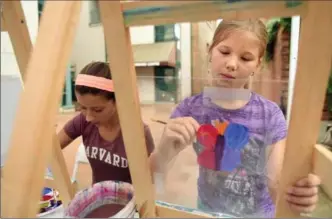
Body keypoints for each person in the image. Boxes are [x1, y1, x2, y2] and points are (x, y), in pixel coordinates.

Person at [156, 20, 321, 217]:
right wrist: (163, 150)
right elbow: (155, 177)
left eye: (245, 58)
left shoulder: (270, 115)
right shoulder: (190, 109)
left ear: (257, 65)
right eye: (225, 52)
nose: (232, 64)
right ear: (210, 52)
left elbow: (276, 182)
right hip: (207, 214)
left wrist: (297, 195)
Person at [57, 61, 163, 217]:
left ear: (117, 101)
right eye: (82, 107)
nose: (88, 117)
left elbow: (153, 179)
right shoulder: (82, 122)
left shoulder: (137, 133)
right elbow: (51, 148)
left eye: (97, 110)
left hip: (129, 210)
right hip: (97, 205)